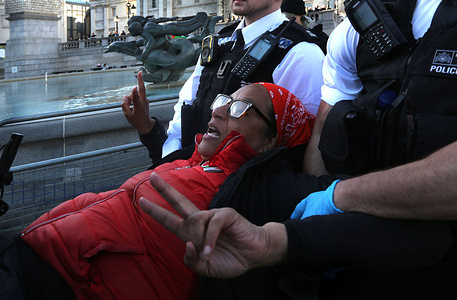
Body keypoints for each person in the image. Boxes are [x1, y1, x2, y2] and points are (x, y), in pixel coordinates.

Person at [143, 0, 457, 298]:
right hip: (360, 259)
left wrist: (334, 199)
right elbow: (323, 137)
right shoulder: (353, 30)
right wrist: (296, 237)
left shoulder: (303, 50)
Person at [0, 76, 315, 300]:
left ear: (271, 140)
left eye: (239, 108)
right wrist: (147, 127)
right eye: (224, 101)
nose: (217, 110)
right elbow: (160, 166)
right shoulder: (191, 160)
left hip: (66, 282)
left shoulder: (258, 187)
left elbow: (333, 194)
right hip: (35, 254)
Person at [122, 0, 325, 164]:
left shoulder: (301, 52)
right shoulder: (217, 44)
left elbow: (303, 144)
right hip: (189, 173)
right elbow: (186, 109)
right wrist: (154, 137)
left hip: (238, 193)